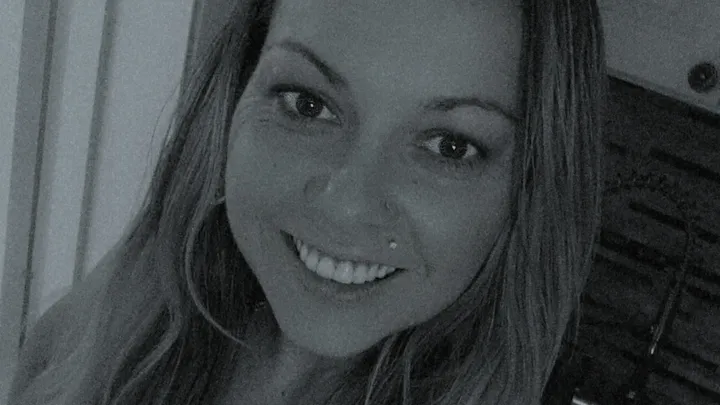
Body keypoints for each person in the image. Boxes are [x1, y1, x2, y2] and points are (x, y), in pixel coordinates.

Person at [8, 0, 607, 404]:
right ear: (236, 93)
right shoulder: (122, 309)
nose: (347, 206)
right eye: (308, 104)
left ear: (530, 191)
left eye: (450, 146)